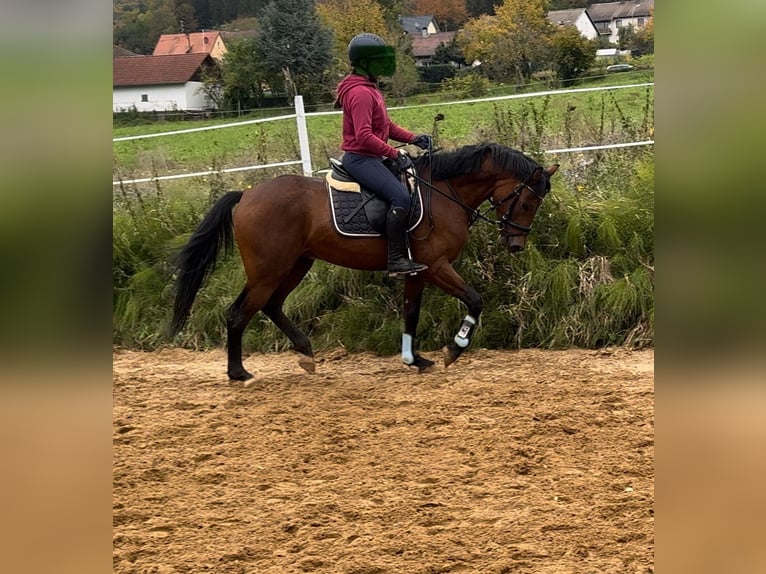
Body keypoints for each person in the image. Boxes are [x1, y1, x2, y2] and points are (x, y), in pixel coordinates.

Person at [335, 32, 433, 277]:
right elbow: (364, 136)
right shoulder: (360, 93)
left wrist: (413, 138)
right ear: (365, 62)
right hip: (361, 158)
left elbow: (385, 126)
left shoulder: (370, 88)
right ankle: (396, 260)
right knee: (401, 198)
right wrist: (394, 153)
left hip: (372, 156)